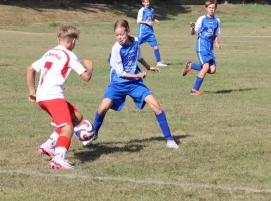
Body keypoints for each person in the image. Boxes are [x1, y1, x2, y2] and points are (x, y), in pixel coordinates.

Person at [84, 19, 178, 149]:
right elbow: (121, 73)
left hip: (134, 83)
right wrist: (138, 75)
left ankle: (170, 140)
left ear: (128, 31)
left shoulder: (135, 42)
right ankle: (94, 134)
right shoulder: (116, 49)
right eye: (117, 35)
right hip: (118, 83)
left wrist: (149, 67)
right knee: (102, 108)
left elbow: (138, 56)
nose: (119, 37)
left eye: (122, 34)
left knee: (155, 104)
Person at [26, 26, 93, 169]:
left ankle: (49, 145)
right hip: (53, 96)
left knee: (76, 116)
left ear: (58, 40)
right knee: (67, 128)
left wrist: (32, 91)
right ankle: (58, 158)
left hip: (42, 96)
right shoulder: (69, 55)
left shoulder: (50, 52)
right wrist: (89, 67)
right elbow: (86, 77)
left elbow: (30, 69)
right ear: (73, 41)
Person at [181, 0, 221, 95]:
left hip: (209, 48)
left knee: (212, 70)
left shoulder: (217, 20)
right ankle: (194, 89)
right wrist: (192, 28)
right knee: (206, 66)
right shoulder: (202, 19)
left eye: (213, 7)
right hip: (201, 46)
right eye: (210, 7)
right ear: (206, 8)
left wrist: (216, 42)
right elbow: (193, 33)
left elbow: (216, 34)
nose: (212, 9)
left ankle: (190, 65)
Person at [137, 0, 167, 67]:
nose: (147, 3)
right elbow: (138, 20)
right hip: (143, 32)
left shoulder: (151, 10)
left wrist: (155, 20)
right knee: (135, 45)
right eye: (145, 2)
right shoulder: (141, 10)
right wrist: (147, 22)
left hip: (150, 32)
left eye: (148, 2)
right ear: (143, 3)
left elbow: (150, 18)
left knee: (156, 46)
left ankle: (158, 62)